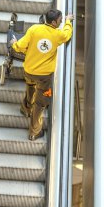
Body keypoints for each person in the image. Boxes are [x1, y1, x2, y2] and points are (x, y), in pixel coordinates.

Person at [12, 9, 74, 140]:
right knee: (41, 103)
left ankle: (26, 108)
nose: (62, 20)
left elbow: (21, 45)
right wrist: (69, 22)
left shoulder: (34, 29)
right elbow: (67, 34)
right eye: (60, 19)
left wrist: (14, 45)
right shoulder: (57, 35)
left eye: (63, 19)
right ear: (53, 22)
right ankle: (34, 132)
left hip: (29, 71)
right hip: (44, 77)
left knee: (30, 87)